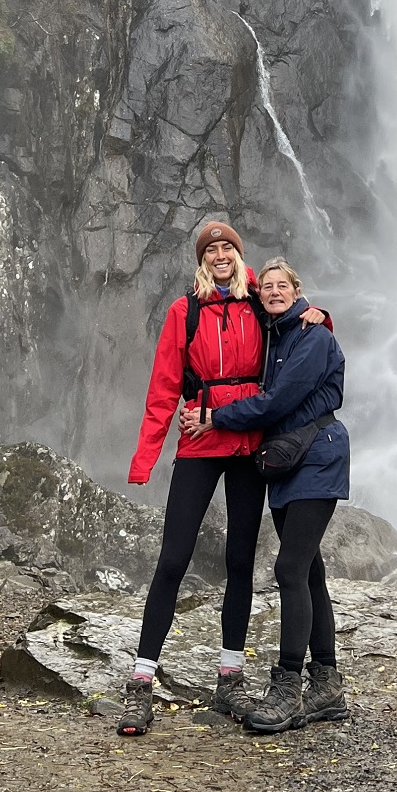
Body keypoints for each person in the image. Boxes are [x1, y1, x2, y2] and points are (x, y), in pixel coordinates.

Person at [117, 221, 271, 737]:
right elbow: (164, 387)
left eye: (228, 247)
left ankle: (230, 677)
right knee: (173, 559)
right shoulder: (184, 312)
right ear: (203, 259)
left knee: (240, 560)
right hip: (201, 441)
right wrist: (145, 460)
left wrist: (321, 314)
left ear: (238, 255)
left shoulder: (258, 303)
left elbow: (301, 330)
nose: (221, 254)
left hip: (248, 439)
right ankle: (141, 683)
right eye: (212, 249)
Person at [184, 256, 349, 734]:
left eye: (284, 285)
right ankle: (327, 683)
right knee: (310, 570)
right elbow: (233, 284)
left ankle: (288, 688)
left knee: (290, 568)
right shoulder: (276, 335)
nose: (274, 291)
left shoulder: (313, 336)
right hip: (288, 462)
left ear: (298, 292)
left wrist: (214, 418)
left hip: (317, 458)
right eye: (267, 286)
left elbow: (276, 402)